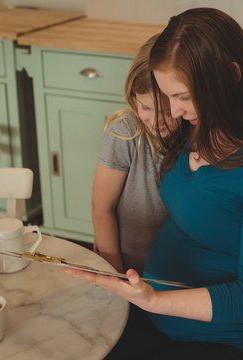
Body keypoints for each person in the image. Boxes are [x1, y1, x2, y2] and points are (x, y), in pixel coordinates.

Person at [67, 8, 243, 360]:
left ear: (230, 76)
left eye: (182, 97)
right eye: (166, 96)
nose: (172, 113)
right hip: (166, 319)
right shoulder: (199, 128)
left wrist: (155, 299)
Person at [92, 34, 178, 273]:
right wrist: (116, 275)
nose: (156, 121)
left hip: (175, 271)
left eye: (167, 111)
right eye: (145, 107)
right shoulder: (125, 133)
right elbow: (101, 209)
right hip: (128, 267)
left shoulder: (193, 135)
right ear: (133, 98)